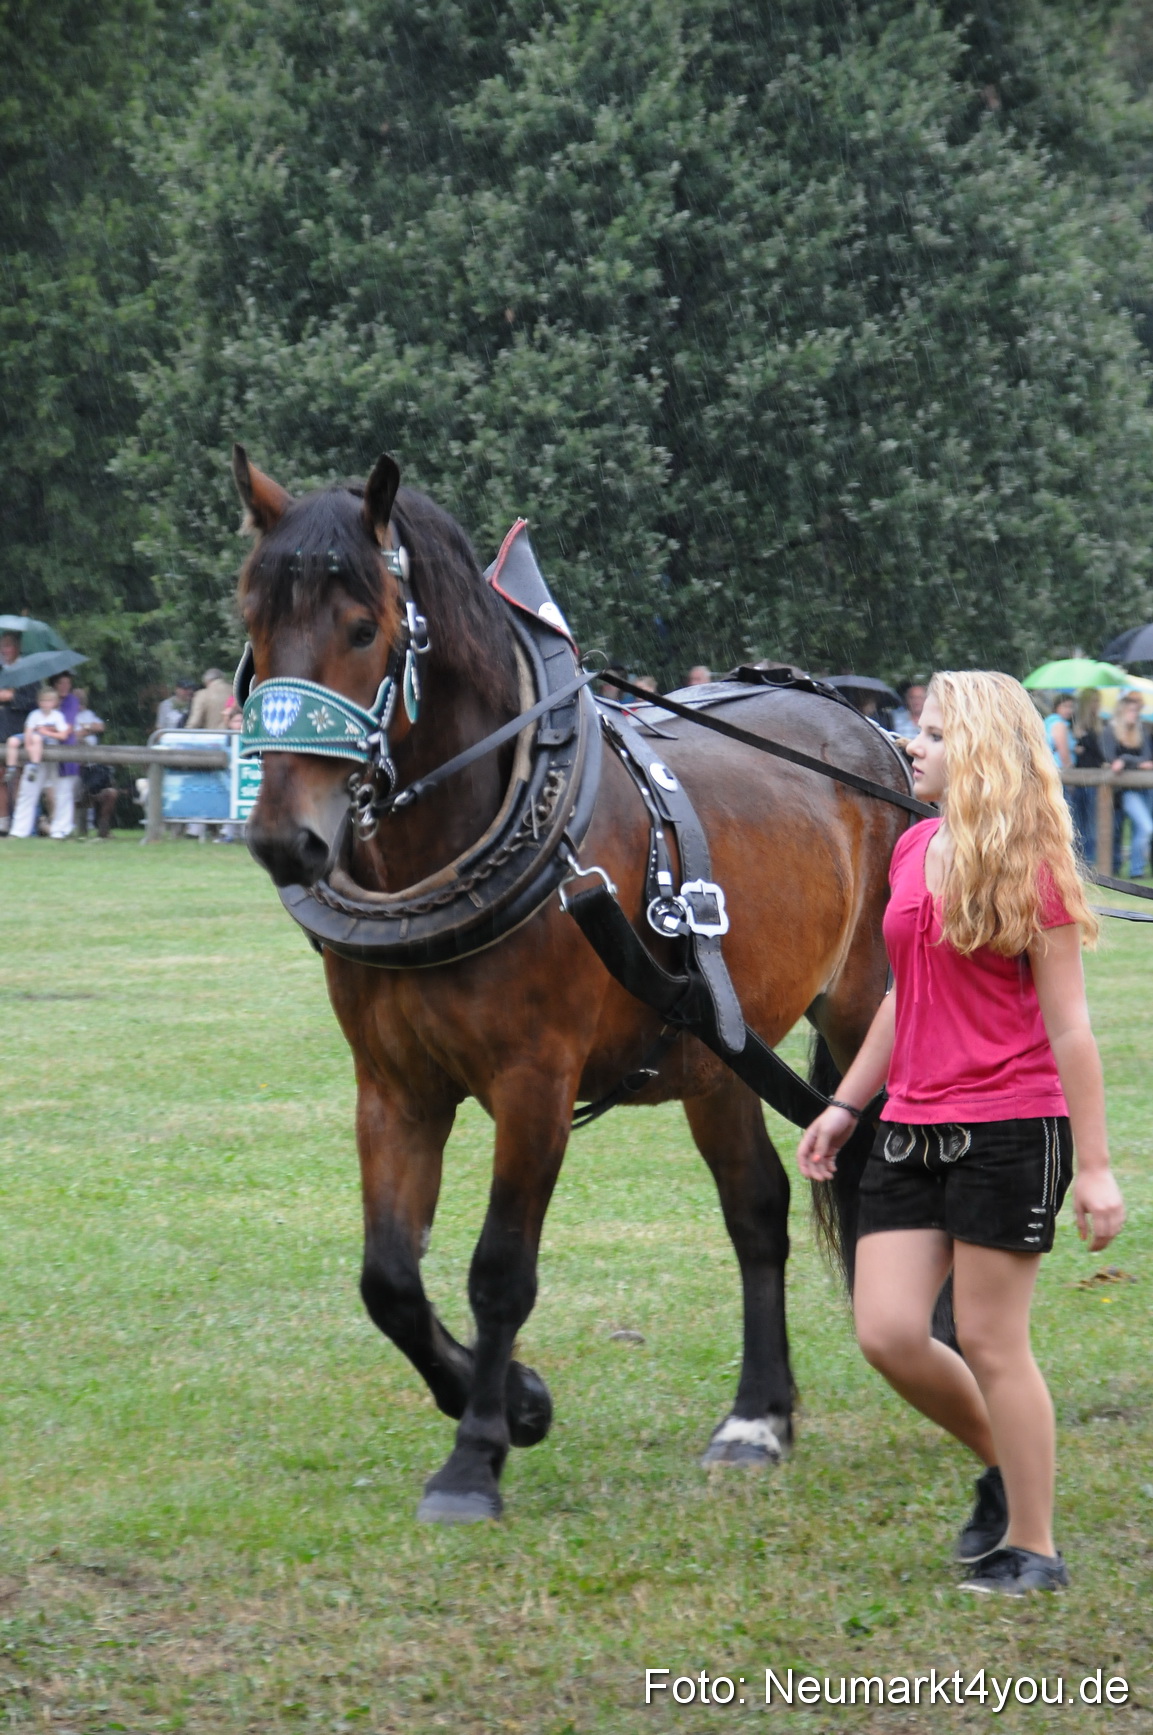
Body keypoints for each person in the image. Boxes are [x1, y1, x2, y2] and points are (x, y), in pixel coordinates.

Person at [797, 670, 1124, 1596]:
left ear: (976, 748)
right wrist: (843, 1104)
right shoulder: (912, 851)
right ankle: (1011, 1466)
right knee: (888, 1330)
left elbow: (1070, 1028)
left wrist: (1094, 1168)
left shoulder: (1034, 866)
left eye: (932, 733)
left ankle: (1034, 1546)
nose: (913, 745)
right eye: (917, 729)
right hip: (909, 1123)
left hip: (1010, 1127)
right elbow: (905, 996)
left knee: (988, 1338)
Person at [7, 686, 74, 838]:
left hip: (56, 755)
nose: (46, 704)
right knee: (27, 791)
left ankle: (60, 830)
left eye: (50, 700)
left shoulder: (57, 716)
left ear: (55, 702)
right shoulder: (34, 715)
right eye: (43, 700)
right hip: (35, 756)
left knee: (61, 791)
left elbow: (63, 734)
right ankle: (19, 830)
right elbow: (28, 732)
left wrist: (46, 732)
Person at [1102, 690, 1153, 878]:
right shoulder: (1110, 730)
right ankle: (1122, 868)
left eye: (1136, 711)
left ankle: (1136, 870)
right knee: (1145, 827)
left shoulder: (1142, 731)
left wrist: (1125, 760)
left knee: (1141, 829)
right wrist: (1131, 761)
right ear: (1122, 710)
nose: (1135, 714)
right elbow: (1110, 758)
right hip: (1123, 791)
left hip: (1145, 788)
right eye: (1131, 710)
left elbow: (1148, 758)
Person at [0, 629, 37, 834]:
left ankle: (21, 821)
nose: (4, 650)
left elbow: (32, 702)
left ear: (17, 648)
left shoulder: (28, 671)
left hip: (17, 731)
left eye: (8, 645)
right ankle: (3, 821)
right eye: (1, 646)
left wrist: (10, 697)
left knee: (17, 779)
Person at [73, 689, 119, 839]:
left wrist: (83, 730)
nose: (79, 704)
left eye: (81, 701)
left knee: (110, 792)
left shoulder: (88, 714)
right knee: (82, 792)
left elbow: (100, 726)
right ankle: (79, 829)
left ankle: (103, 828)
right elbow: (72, 735)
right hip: (74, 767)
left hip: (93, 766)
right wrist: (86, 730)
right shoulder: (65, 715)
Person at [1070, 688, 1105, 862]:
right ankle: (1081, 857)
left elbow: (1099, 753)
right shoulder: (1073, 723)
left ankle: (1089, 858)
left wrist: (1084, 741)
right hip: (1078, 778)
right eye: (1095, 701)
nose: (1097, 705)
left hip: (1093, 778)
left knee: (1091, 821)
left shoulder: (1097, 726)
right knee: (1079, 820)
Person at [1043, 692, 1075, 771]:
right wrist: (1069, 767)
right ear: (1056, 707)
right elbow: (1062, 749)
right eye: (1065, 706)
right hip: (1059, 767)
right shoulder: (1059, 724)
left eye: (1071, 707)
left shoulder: (1049, 721)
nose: (1068, 710)